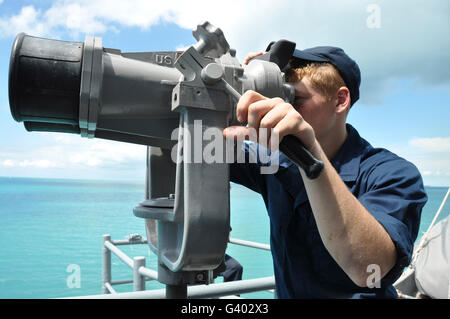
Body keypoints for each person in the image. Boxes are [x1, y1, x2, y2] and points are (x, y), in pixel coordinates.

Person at [223, 44, 428, 298]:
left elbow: (367, 269)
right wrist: (228, 91)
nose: (283, 108)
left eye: (293, 99)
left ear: (340, 100)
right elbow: (190, 146)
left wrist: (310, 157)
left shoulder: (393, 174)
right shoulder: (275, 162)